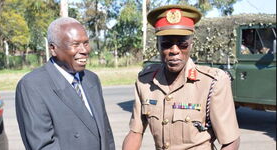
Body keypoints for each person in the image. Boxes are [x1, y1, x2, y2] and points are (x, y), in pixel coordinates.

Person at [123, 5, 240, 150]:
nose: (174, 51)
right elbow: (135, 132)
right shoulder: (145, 82)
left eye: (182, 44)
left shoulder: (212, 82)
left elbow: (230, 142)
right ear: (157, 45)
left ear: (191, 44)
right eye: (166, 44)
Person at [15, 17, 115, 150]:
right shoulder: (32, 86)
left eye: (85, 43)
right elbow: (42, 145)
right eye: (75, 44)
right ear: (53, 49)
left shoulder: (92, 79)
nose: (84, 50)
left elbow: (105, 134)